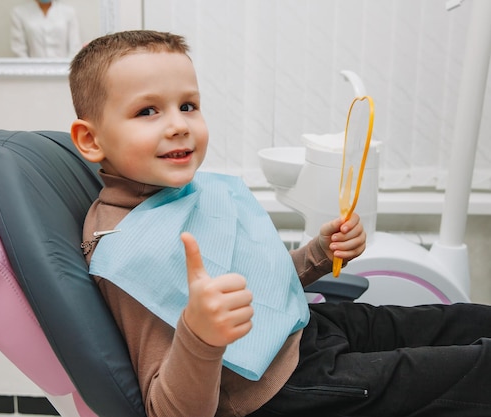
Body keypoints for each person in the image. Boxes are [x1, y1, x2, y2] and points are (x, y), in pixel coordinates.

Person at [69, 30, 491, 417]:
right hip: (281, 388)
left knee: (467, 320)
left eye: (188, 106)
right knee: (476, 370)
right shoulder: (126, 251)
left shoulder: (188, 194)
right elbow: (168, 410)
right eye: (148, 111)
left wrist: (319, 255)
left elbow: (260, 287)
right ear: (91, 139)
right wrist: (199, 336)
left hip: (303, 330)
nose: (179, 125)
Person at [10, 0, 82, 58]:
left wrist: (67, 71)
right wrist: (29, 71)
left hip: (64, 71)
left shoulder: (68, 12)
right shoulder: (19, 12)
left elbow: (75, 48)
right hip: (33, 71)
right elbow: (19, 50)